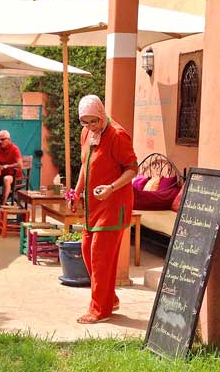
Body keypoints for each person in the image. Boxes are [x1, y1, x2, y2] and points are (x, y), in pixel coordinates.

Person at [69, 95, 138, 324]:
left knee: (100, 256)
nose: (90, 127)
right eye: (85, 122)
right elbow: (85, 166)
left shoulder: (117, 135)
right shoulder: (87, 134)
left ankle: (100, 309)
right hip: (93, 206)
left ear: (101, 114)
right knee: (88, 251)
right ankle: (109, 298)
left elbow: (131, 170)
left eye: (94, 121)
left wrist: (111, 187)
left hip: (113, 204)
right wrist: (77, 192)